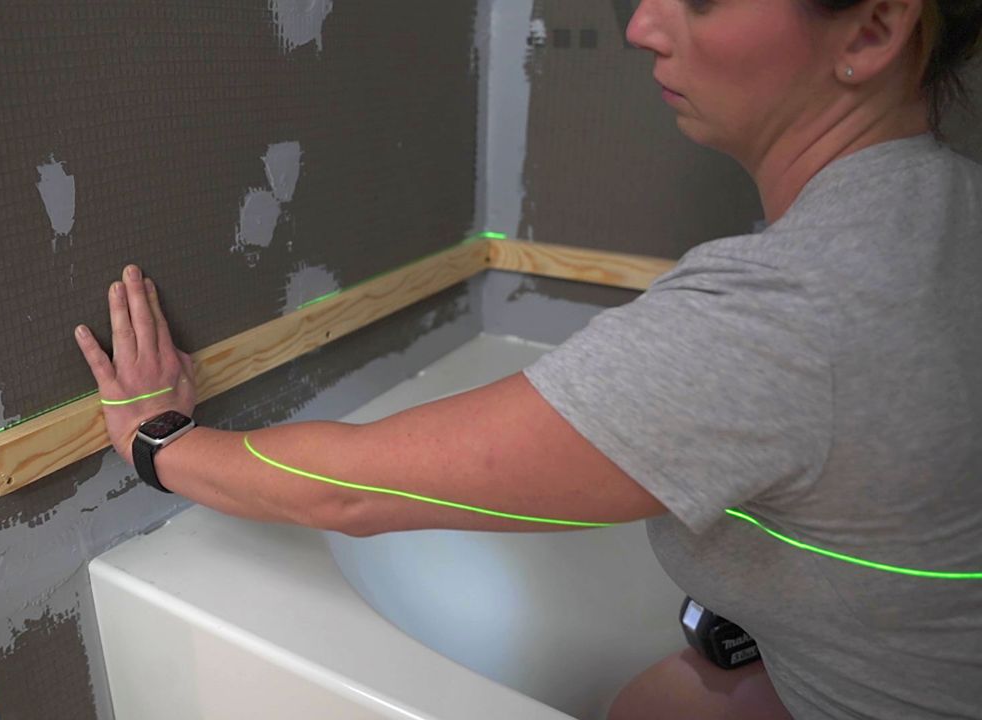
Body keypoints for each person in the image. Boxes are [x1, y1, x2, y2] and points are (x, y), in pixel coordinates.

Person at [73, 0, 982, 716]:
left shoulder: (795, 307)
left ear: (873, 27)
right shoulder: (944, 211)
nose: (640, 25)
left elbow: (352, 493)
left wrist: (157, 441)